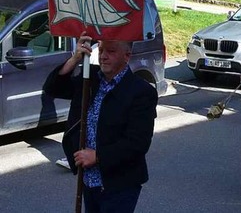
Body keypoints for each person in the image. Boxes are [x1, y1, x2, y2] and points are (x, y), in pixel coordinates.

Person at [44, 33, 158, 213]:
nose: (103, 55)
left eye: (111, 51)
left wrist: (98, 156)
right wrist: (75, 57)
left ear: (126, 56)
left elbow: (138, 143)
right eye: (102, 49)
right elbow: (52, 88)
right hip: (88, 180)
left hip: (120, 184)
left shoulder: (141, 92)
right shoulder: (90, 80)